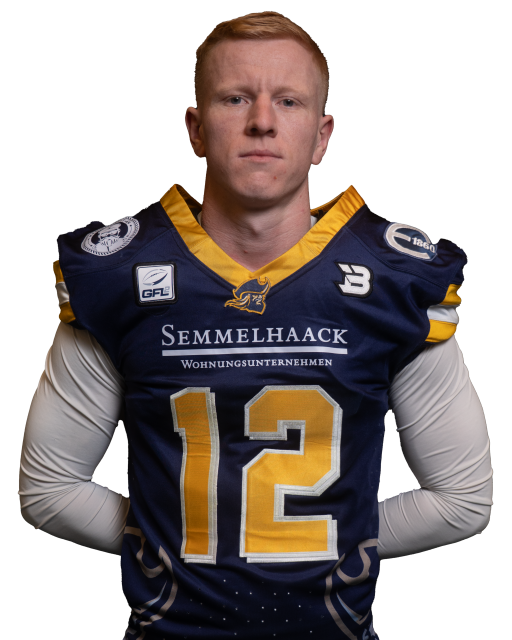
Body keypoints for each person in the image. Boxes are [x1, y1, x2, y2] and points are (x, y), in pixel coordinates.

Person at [19, 11, 493, 640]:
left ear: (322, 136)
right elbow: (49, 489)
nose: (262, 121)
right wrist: (179, 538)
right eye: (235, 98)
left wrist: (313, 538)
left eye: (288, 101)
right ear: (195, 129)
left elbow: (463, 501)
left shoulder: (393, 278)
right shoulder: (120, 275)